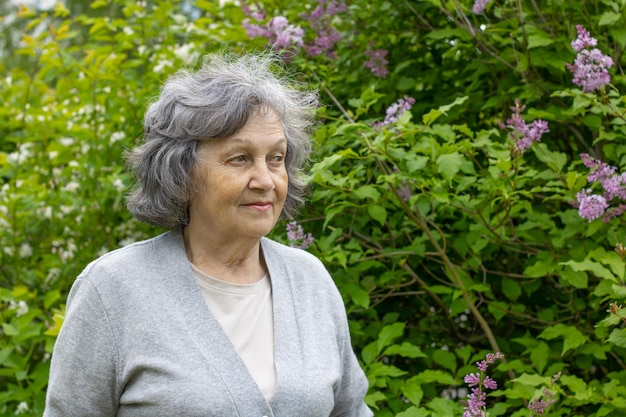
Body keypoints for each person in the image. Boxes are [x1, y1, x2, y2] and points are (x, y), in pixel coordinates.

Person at [43, 52, 373, 417]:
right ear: (181, 175)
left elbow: (351, 411)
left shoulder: (310, 280)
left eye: (276, 159)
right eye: (239, 159)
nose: (265, 180)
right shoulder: (113, 289)